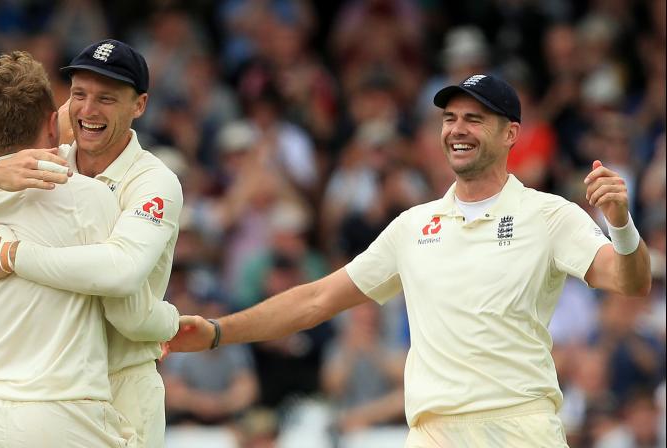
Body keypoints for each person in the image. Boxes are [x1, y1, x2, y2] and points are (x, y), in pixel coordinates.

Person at [168, 74, 652, 447]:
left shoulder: (548, 215)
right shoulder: (414, 225)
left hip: (518, 428)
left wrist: (621, 224)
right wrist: (217, 331)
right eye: (449, 118)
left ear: (512, 134)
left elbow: (629, 282)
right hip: (430, 433)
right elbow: (316, 299)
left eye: (475, 119)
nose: (457, 130)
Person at [0, 40, 184, 448]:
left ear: (139, 106)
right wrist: (170, 323)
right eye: (78, 95)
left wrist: (11, 255)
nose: (88, 110)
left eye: (106, 99)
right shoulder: (75, 183)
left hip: (88, 392)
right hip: (70, 403)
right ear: (56, 112)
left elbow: (122, 279)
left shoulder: (154, 182)